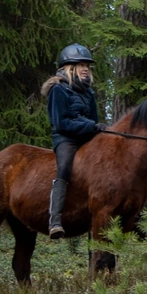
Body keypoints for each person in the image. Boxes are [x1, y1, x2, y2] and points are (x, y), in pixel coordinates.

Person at [43, 44, 101, 238]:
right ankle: (55, 220)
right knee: (65, 167)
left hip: (86, 137)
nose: (86, 69)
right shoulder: (58, 89)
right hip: (66, 138)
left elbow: (93, 120)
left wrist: (98, 129)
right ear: (70, 67)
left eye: (87, 66)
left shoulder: (88, 92)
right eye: (81, 65)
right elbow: (61, 123)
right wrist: (90, 126)